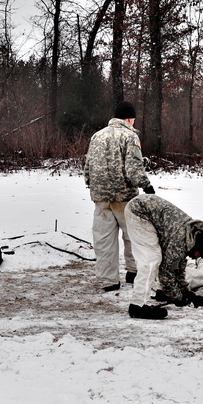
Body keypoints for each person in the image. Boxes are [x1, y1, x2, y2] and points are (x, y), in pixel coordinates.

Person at [83, 100, 155, 292]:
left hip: (101, 198)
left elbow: (88, 165)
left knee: (103, 239)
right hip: (125, 197)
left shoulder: (96, 136)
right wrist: (146, 185)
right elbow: (133, 168)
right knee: (133, 236)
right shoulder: (130, 136)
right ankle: (133, 271)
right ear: (130, 118)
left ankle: (108, 281)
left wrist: (91, 184)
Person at [123, 193, 203, 320]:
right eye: (198, 255)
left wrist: (188, 293)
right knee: (151, 260)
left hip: (145, 210)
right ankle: (137, 306)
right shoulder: (180, 240)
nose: (195, 258)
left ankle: (161, 292)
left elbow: (178, 269)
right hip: (139, 212)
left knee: (158, 258)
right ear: (198, 247)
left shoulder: (190, 236)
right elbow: (166, 272)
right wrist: (179, 298)